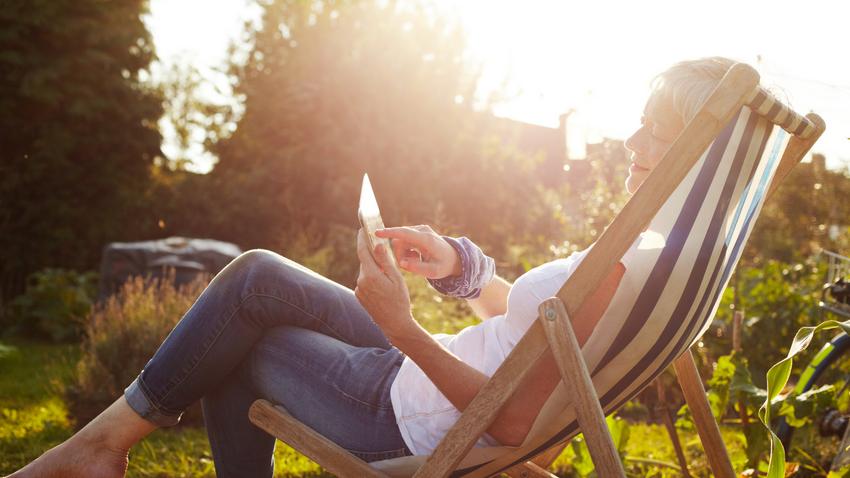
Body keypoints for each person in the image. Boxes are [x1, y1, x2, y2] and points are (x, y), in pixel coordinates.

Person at [7, 56, 738, 478]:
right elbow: (541, 335)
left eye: (654, 128)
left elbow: (511, 421)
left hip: (408, 411)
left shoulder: (627, 263)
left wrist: (404, 329)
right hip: (433, 378)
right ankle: (98, 448)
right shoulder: (660, 258)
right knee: (259, 276)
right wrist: (459, 267)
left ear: (692, 154)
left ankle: (97, 451)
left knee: (241, 343)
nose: (632, 137)